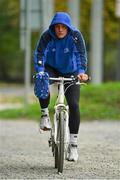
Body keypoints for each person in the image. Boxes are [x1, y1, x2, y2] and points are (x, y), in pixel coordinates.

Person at [34, 12, 88, 161]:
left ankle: (73, 146)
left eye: (63, 27)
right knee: (42, 79)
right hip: (51, 67)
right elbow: (40, 54)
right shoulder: (47, 36)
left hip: (72, 70)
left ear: (68, 27)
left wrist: (82, 72)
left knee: (74, 105)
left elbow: (81, 55)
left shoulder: (75, 36)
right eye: (57, 26)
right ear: (53, 27)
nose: (60, 30)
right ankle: (44, 115)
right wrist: (40, 71)